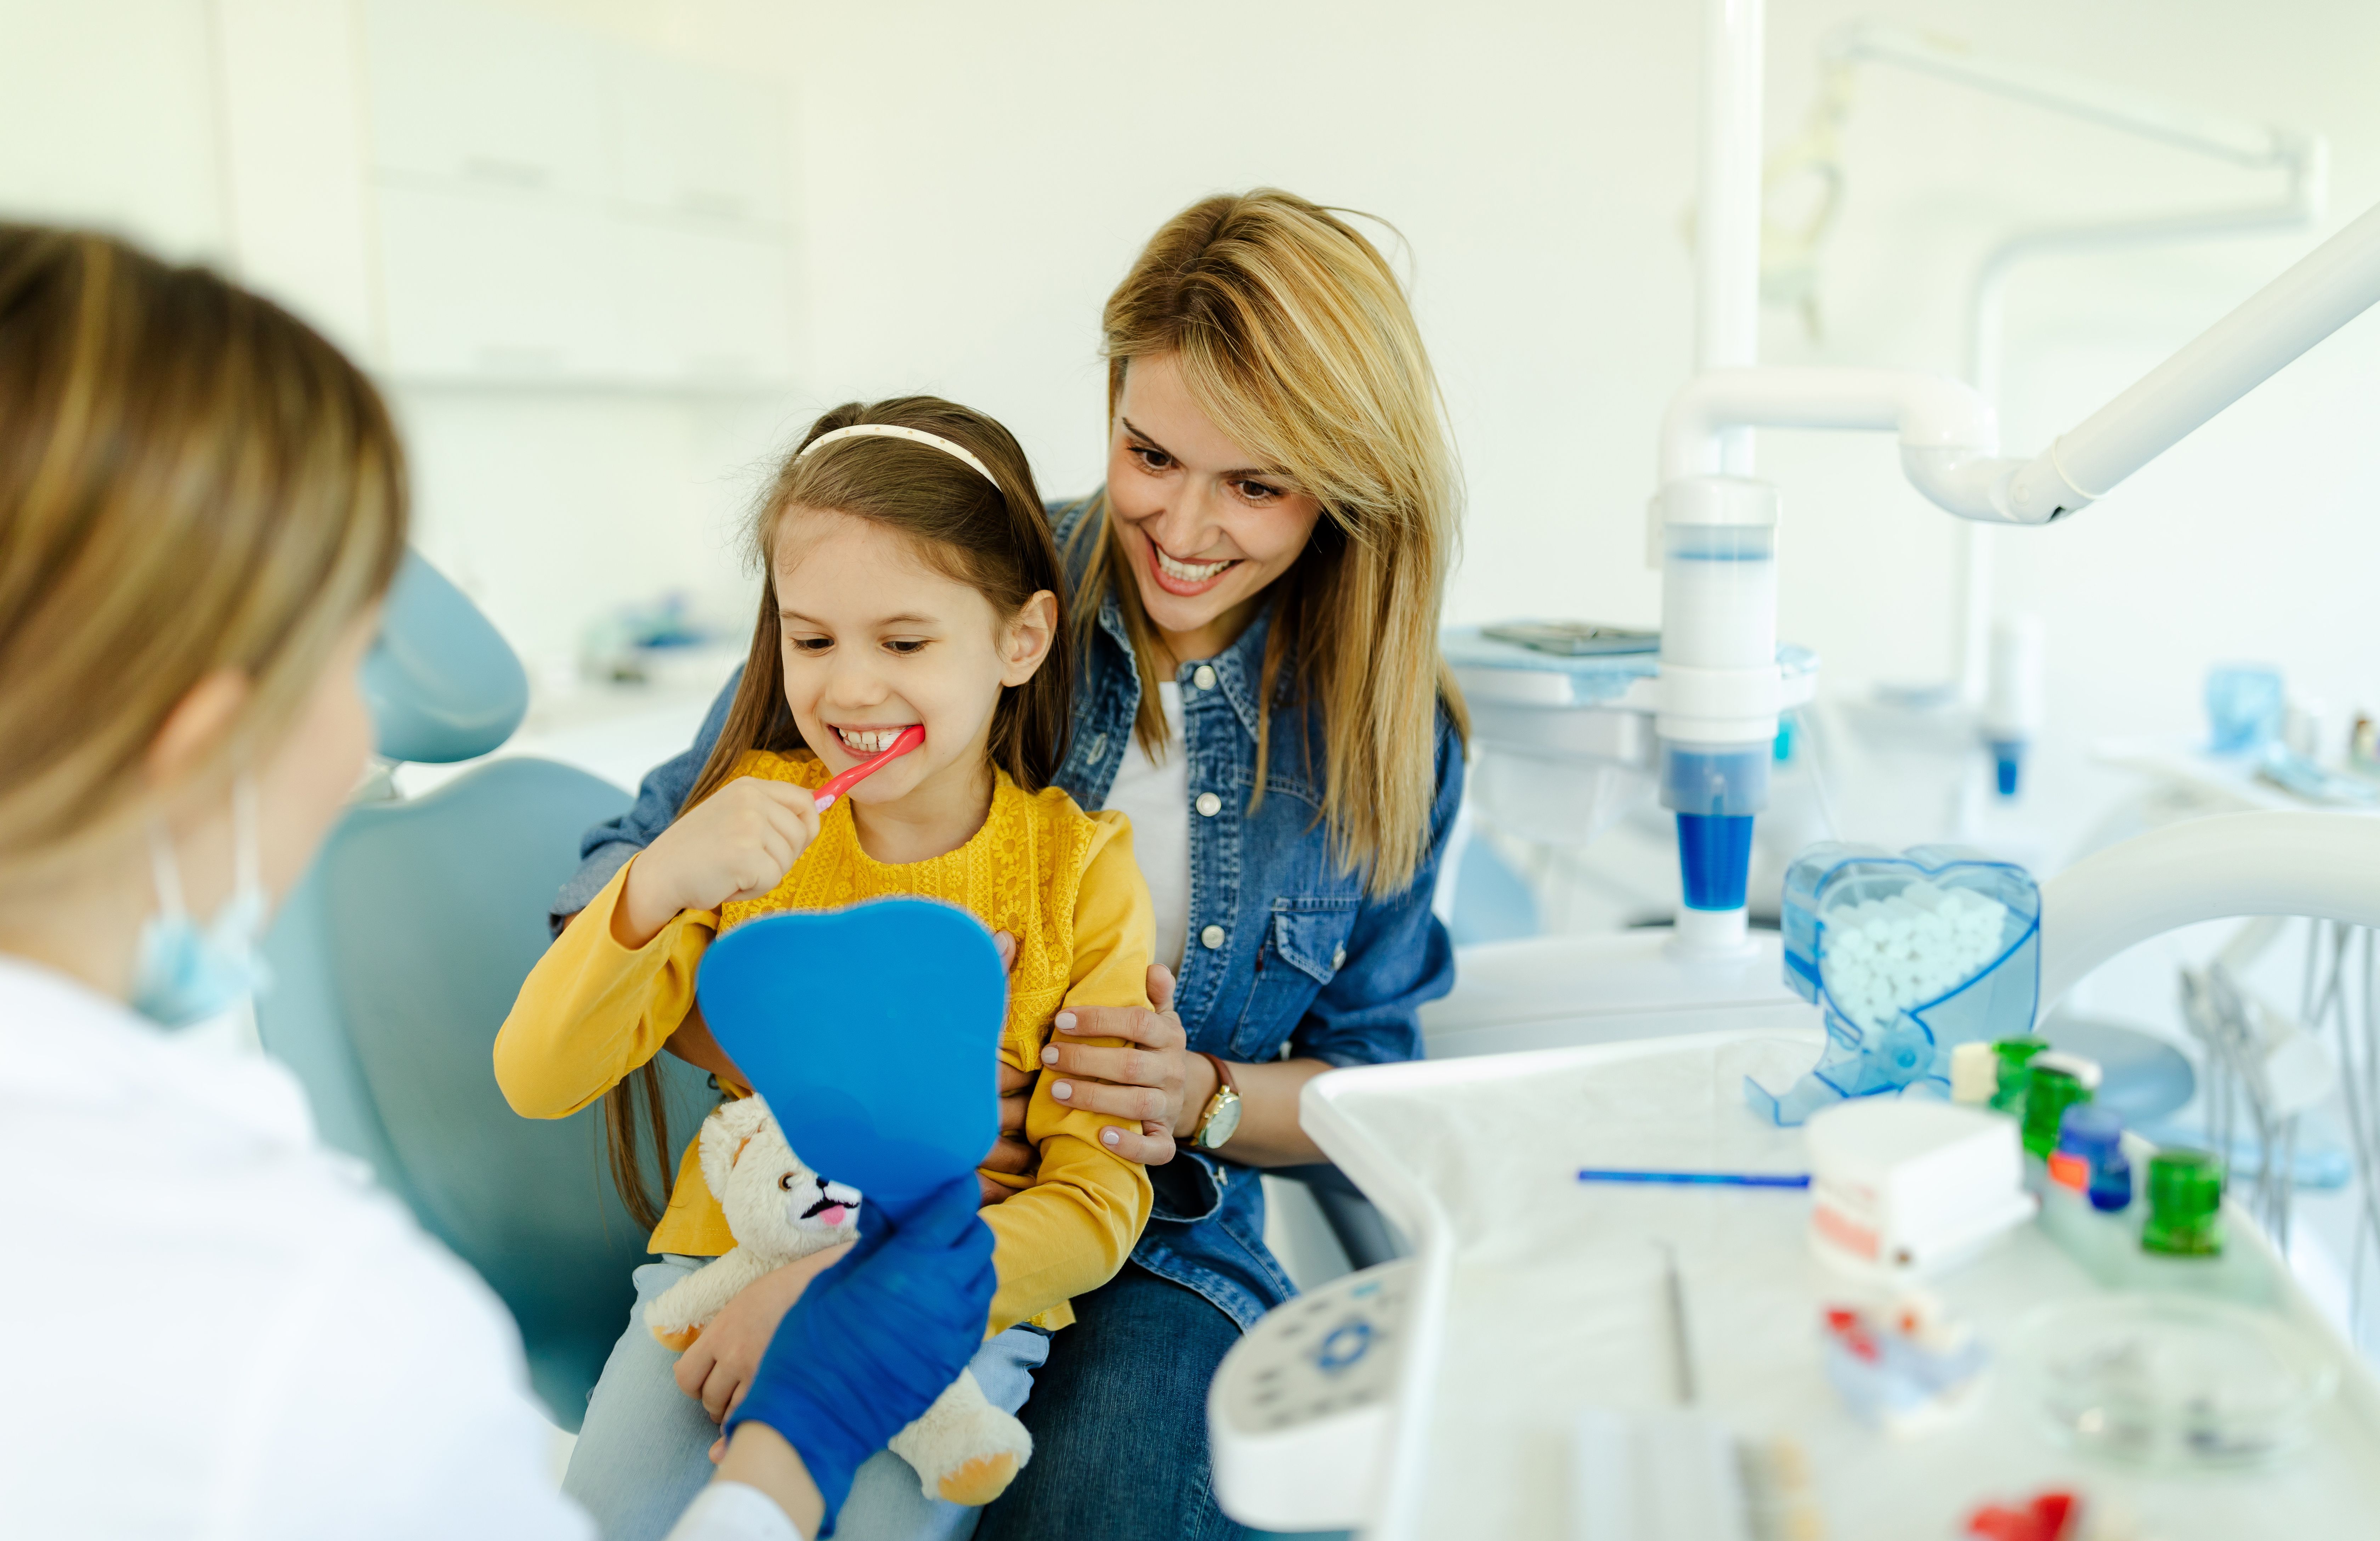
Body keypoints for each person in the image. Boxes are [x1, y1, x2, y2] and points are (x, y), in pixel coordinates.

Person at [0, 225, 997, 1541]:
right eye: (349, 666)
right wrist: (790, 1451)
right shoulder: (313, 1340)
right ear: (200, 748)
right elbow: (543, 1064)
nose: (364, 737)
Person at [552, 188, 1470, 1540]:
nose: (1188, 526)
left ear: (1343, 483)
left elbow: (1372, 1087)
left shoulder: (1391, 737)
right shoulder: (946, 580)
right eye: (1151, 454)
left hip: (1150, 1236)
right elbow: (627, 875)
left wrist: (1205, 1094)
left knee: (1091, 1505)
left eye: (1258, 484)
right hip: (820, 1193)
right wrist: (810, 1049)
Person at [500, 397, 1159, 1541]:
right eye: (812, 640)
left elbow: (1097, 1205)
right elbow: (538, 1077)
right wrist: (656, 881)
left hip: (955, 1318)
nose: (849, 691)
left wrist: (841, 1296)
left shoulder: (1080, 875)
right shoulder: (736, 829)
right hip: (706, 1287)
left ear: (1023, 639)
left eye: (904, 643)